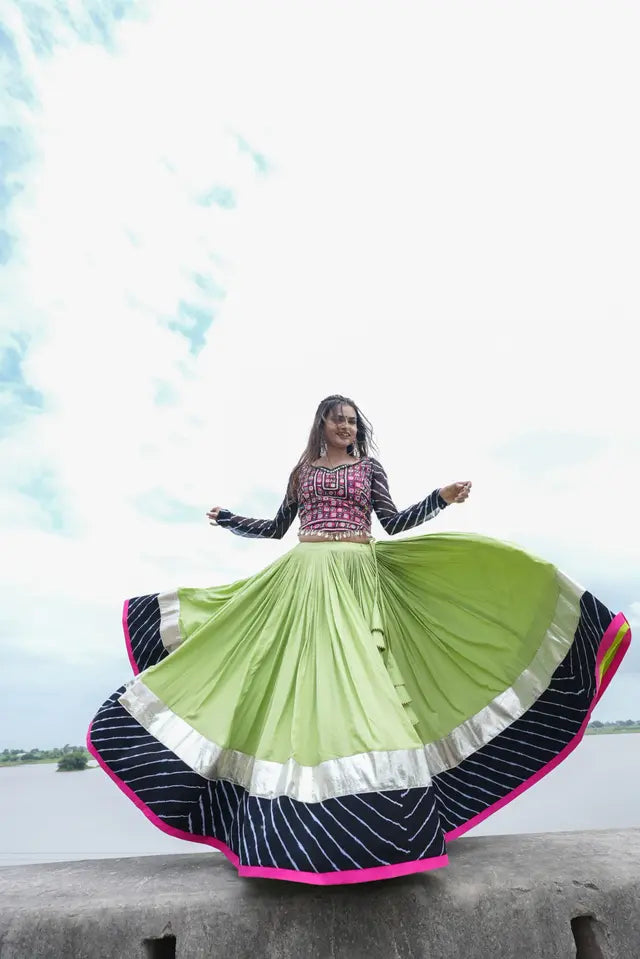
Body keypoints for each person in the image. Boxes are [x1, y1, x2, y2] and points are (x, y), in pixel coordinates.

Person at [88, 394, 631, 886]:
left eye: (353, 421)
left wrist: (439, 499)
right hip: (303, 580)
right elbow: (278, 527)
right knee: (300, 688)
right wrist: (230, 520)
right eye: (339, 419)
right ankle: (287, 829)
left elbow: (393, 523)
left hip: (359, 579)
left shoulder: (369, 468)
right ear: (321, 423)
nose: (347, 426)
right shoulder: (302, 471)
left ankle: (383, 827)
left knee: (367, 690)